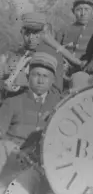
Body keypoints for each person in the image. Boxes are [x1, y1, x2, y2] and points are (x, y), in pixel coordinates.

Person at [0, 52, 63, 190]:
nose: (40, 80)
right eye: (36, 75)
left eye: (45, 76)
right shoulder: (12, 101)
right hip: (11, 162)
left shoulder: (60, 106)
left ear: (52, 80)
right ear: (28, 77)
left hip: (41, 165)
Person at [0, 12, 64, 94]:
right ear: (21, 32)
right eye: (27, 33)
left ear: (44, 33)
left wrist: (24, 81)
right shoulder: (16, 53)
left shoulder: (53, 55)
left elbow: (56, 91)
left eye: (35, 33)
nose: (31, 38)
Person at [56, 0, 93, 81]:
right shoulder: (64, 30)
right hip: (62, 74)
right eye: (79, 9)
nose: (83, 13)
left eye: (87, 9)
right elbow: (54, 50)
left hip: (88, 76)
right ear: (73, 11)